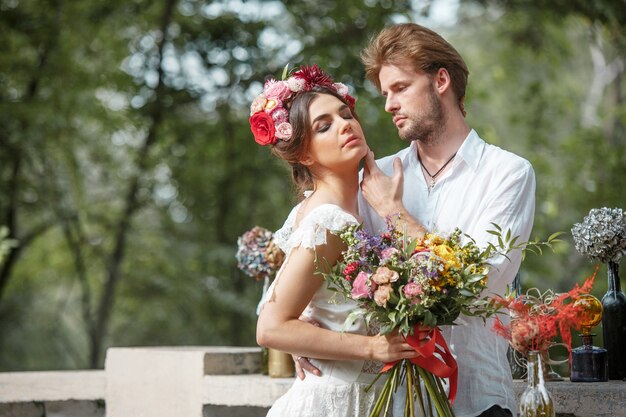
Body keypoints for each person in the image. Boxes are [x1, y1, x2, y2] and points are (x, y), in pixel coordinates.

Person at [297, 23, 536, 417]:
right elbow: (303, 246)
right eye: (385, 93)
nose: (389, 104)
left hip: (476, 400)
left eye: (400, 88)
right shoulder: (373, 173)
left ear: (441, 80)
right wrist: (305, 318)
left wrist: (394, 213)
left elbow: (477, 285)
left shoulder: (508, 173)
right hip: (386, 401)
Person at [252, 64, 422, 417]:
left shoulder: (333, 209)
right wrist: (373, 347)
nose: (345, 124)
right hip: (335, 401)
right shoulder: (328, 220)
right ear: (305, 154)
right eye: (324, 126)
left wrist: (307, 332)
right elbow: (270, 326)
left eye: (345, 114)